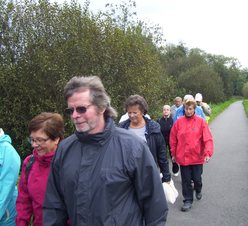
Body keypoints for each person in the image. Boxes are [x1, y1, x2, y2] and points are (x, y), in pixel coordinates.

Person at [43, 76, 168, 226]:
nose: (75, 115)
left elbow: (155, 206)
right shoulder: (64, 149)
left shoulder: (133, 147)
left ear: (102, 107)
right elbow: (54, 206)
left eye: (82, 109)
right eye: (71, 110)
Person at [16, 113, 65, 226]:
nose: (34, 145)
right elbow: (24, 202)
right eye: (32, 140)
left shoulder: (70, 162)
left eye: (40, 140)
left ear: (56, 139)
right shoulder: (30, 163)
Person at [169, 99, 214, 212]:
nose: (188, 111)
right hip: (183, 157)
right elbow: (173, 139)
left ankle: (198, 188)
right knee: (186, 180)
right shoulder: (179, 122)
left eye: (190, 109)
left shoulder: (201, 122)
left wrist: (207, 153)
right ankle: (188, 200)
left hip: (197, 156)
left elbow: (207, 138)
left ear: (194, 109)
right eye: (186, 109)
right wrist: (173, 153)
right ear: (184, 109)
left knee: (197, 178)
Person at [118, 95, 171, 183]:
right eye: (129, 112)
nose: (131, 115)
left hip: (148, 175)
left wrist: (166, 177)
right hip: (126, 177)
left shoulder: (154, 129)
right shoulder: (121, 129)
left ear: (142, 111)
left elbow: (162, 155)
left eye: (135, 112)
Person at [157, 105, 179, 177]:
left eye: (167, 110)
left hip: (171, 142)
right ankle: (162, 172)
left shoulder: (173, 121)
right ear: (162, 111)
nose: (166, 111)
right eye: (164, 110)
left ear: (170, 111)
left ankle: (175, 169)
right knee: (162, 157)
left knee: (173, 155)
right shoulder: (159, 121)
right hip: (162, 142)